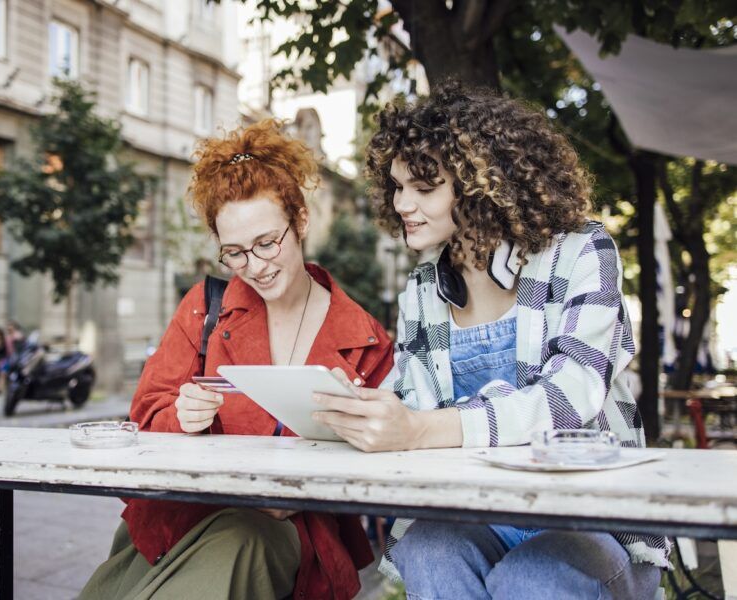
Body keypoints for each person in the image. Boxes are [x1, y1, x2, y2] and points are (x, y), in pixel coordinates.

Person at [311, 82, 669, 599]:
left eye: (424, 187)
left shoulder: (582, 252)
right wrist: (361, 409)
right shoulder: (422, 287)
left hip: (590, 516)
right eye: (396, 187)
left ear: (480, 185)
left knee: (532, 575)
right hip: (482, 512)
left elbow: (568, 400)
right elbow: (411, 405)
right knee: (428, 549)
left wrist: (419, 428)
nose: (403, 203)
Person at [79, 119, 394, 600]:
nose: (256, 267)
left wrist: (308, 485)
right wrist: (180, 417)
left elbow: (382, 460)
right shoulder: (205, 307)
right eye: (235, 253)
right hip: (179, 528)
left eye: (268, 243)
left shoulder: (367, 339)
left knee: (245, 539)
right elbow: (143, 419)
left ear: (302, 221)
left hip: (280, 539)